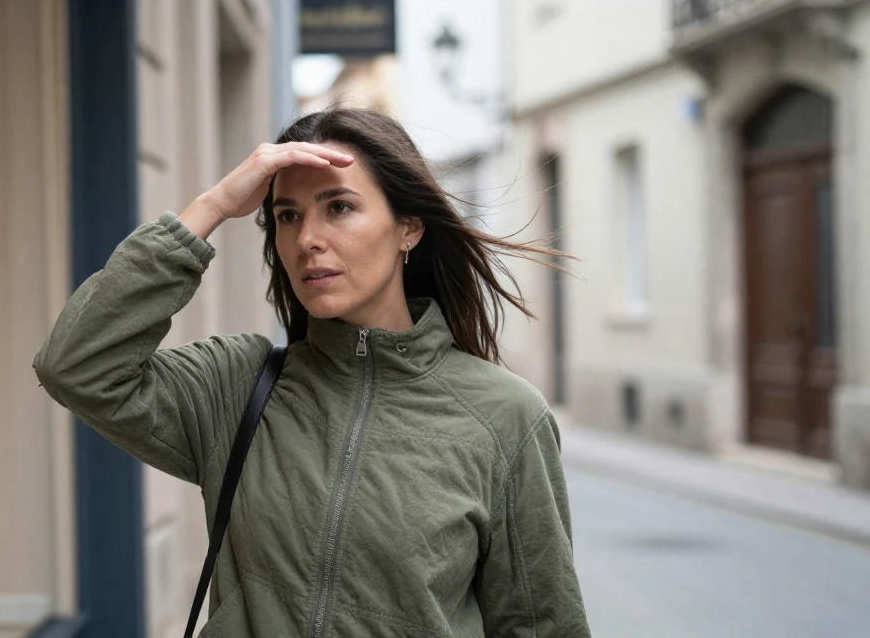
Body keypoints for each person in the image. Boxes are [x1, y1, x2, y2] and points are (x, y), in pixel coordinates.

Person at [34, 108, 590, 637]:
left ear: (409, 227)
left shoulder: (504, 417)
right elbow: (78, 366)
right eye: (287, 216)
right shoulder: (239, 385)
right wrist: (211, 207)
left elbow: (540, 625)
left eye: (339, 208)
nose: (307, 240)